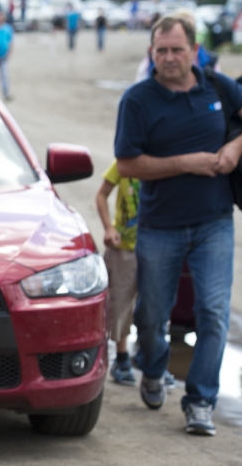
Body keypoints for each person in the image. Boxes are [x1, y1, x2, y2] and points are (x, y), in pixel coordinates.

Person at [115, 14, 242, 435]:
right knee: (153, 315)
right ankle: (154, 370)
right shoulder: (138, 100)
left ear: (194, 51)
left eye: (177, 50)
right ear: (151, 53)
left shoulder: (217, 85)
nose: (170, 58)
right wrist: (186, 163)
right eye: (161, 51)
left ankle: (200, 402)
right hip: (160, 227)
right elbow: (126, 164)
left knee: (213, 313)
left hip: (215, 222)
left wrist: (235, 147)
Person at [95, 161, 139, 385]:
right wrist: (108, 228)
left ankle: (153, 362)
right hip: (122, 248)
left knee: (154, 307)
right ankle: (122, 358)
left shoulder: (168, 161)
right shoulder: (123, 164)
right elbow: (101, 194)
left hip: (157, 246)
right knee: (120, 305)